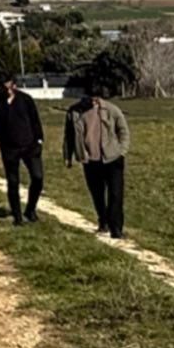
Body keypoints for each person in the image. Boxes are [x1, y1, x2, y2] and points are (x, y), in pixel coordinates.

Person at [64, 80, 131, 238]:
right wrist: (68, 156)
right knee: (97, 195)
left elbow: (123, 130)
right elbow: (69, 136)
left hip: (113, 158)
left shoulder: (111, 109)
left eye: (96, 99)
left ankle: (117, 230)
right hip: (90, 160)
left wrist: (122, 150)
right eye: (90, 98)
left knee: (116, 195)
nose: (93, 102)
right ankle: (103, 221)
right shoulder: (74, 112)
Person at [0, 70, 43, 222]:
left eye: (10, 86)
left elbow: (35, 120)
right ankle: (17, 216)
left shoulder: (26, 99)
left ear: (14, 84)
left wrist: (39, 140)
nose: (8, 90)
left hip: (30, 145)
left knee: (38, 177)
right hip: (9, 148)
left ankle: (30, 209)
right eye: (4, 88)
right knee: (13, 181)